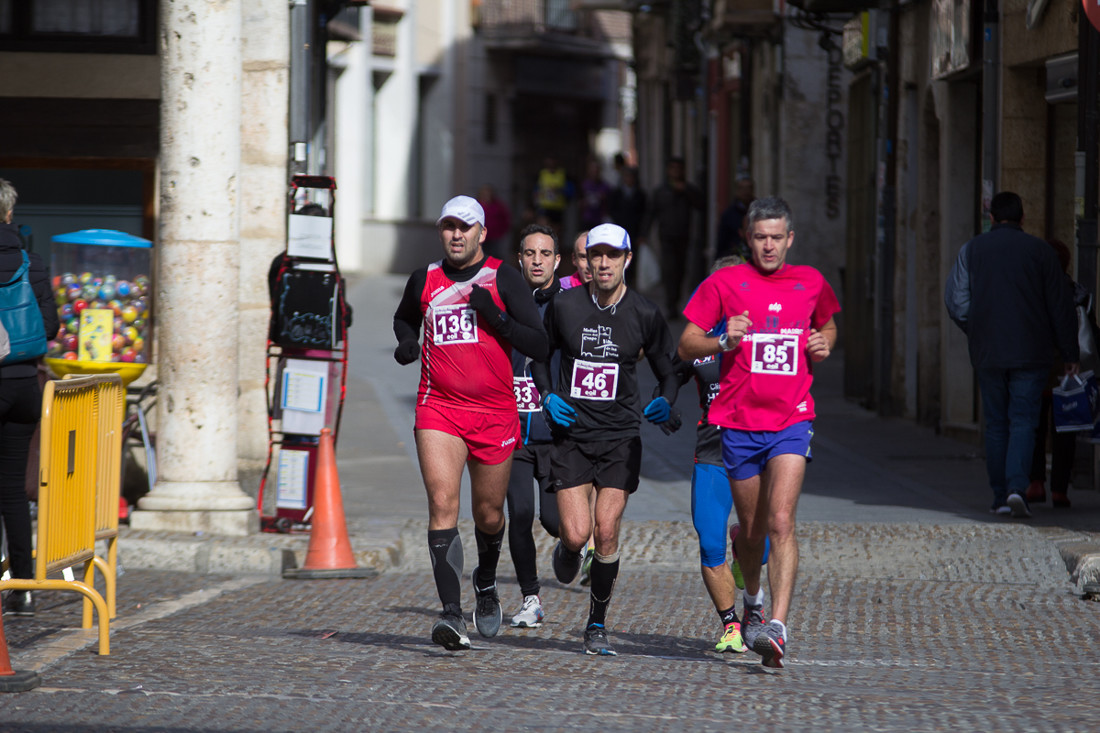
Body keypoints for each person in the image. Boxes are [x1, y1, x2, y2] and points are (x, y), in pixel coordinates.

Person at [678, 196, 840, 669]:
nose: (769, 246)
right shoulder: (724, 282)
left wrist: (823, 343)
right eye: (761, 237)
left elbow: (828, 327)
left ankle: (778, 627)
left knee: (781, 520)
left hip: (792, 419)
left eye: (777, 237)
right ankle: (752, 602)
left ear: (790, 239)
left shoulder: (811, 281)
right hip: (738, 423)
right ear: (748, 239)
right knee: (750, 532)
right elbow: (686, 344)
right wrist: (723, 339)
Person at [392, 195, 548, 651]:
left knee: (489, 513)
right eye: (449, 226)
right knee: (442, 503)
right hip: (438, 407)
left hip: (495, 413)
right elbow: (403, 318)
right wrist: (407, 342)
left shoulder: (503, 277)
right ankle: (451, 615)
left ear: (482, 232)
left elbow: (539, 344)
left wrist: (494, 315)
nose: (456, 234)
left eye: (465, 227)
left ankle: (485, 580)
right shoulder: (424, 278)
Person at [532, 222, 679, 656]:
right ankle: (567, 549)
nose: (603, 263)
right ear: (587, 260)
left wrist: (666, 400)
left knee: (607, 530)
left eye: (612, 255)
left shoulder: (644, 313)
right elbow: (540, 357)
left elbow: (669, 370)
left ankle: (596, 624)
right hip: (572, 435)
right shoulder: (565, 305)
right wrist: (547, 396)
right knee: (578, 534)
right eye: (596, 254)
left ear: (627, 259)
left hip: (620, 436)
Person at [944, 192, 1078, 517]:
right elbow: (1060, 307)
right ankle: (1018, 487)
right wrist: (1069, 352)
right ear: (1022, 218)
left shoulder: (971, 250)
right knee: (1024, 420)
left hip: (988, 351)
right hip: (1032, 351)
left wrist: (978, 328)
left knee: (996, 423)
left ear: (991, 218)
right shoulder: (1041, 252)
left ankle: (1000, 496)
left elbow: (957, 303)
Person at [0, 178, 60, 617]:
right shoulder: (31, 262)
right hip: (24, 386)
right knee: (12, 489)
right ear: (8, 213)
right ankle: (22, 587)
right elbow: (50, 327)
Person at [506, 223, 564, 628]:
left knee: (557, 523)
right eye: (530, 253)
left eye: (545, 254)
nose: (537, 261)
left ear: (557, 261)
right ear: (520, 259)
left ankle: (574, 544)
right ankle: (531, 597)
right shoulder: (505, 303)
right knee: (521, 513)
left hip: (555, 433)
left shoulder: (569, 306)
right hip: (513, 434)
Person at [1027, 239, 1090, 509]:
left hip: (1038, 366)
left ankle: (1036, 482)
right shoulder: (1074, 290)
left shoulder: (1033, 292)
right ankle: (1060, 489)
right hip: (1066, 369)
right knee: (1065, 428)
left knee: (1035, 427)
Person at [640, 157, 704, 316]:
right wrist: (644, 234)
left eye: (678, 169)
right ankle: (671, 304)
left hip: (683, 236)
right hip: (666, 236)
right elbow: (651, 213)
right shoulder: (660, 192)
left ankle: (676, 299)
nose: (676, 172)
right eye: (673, 168)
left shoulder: (688, 190)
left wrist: (686, 191)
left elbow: (701, 204)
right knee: (669, 270)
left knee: (680, 270)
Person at [608, 166, 648, 289]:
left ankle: (630, 284)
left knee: (632, 259)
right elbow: (611, 212)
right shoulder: (616, 194)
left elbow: (645, 215)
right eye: (627, 176)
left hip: (634, 233)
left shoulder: (640, 195)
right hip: (619, 232)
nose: (629, 179)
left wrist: (642, 234)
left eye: (631, 177)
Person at [715, 177, 755, 261]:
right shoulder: (729, 214)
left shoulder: (759, 211)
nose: (745, 192)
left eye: (748, 188)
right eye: (742, 188)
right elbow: (722, 242)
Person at [534, 157, 571, 234]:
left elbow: (569, 190)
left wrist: (559, 190)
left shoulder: (562, 174)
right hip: (545, 206)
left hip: (557, 207)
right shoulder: (542, 174)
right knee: (543, 228)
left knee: (556, 231)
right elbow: (536, 190)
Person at [477, 184, 513, 262]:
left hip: (495, 237)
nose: (485, 196)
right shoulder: (477, 205)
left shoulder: (498, 206)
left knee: (495, 255)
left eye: (487, 194)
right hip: (480, 236)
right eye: (483, 194)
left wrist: (501, 232)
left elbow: (505, 219)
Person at [578, 159, 610, 232]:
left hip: (600, 220)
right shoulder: (584, 185)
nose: (594, 173)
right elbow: (579, 203)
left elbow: (609, 205)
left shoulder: (605, 186)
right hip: (587, 219)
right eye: (592, 171)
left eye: (596, 171)